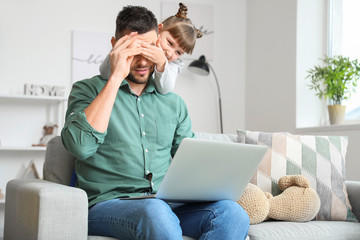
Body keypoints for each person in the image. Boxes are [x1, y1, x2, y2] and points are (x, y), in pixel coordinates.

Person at [61, 5, 250, 240]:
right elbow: (79, 146)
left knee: (232, 214)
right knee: (156, 211)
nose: (142, 61)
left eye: (149, 49)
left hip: (163, 203)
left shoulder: (174, 103)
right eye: (132, 51)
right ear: (115, 45)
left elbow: (190, 161)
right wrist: (116, 77)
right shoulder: (87, 90)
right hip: (107, 205)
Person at [99, 3, 202, 94]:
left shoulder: (173, 65)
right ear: (159, 29)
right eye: (170, 43)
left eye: (178, 52)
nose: (170, 53)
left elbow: (165, 89)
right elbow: (104, 73)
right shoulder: (141, 41)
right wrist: (120, 50)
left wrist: (162, 63)